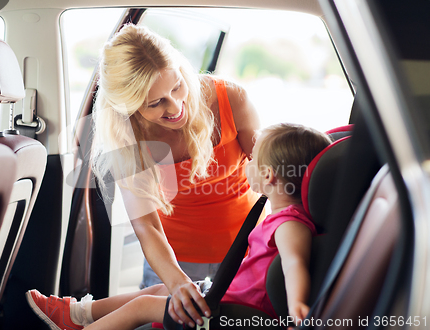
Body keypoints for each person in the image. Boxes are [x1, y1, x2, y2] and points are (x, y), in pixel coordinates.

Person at [26, 123, 332, 330]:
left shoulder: (290, 223)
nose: (246, 165)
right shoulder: (276, 214)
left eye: (253, 161)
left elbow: (293, 263)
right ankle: (77, 315)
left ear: (268, 177)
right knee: (161, 288)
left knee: (144, 304)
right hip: (224, 298)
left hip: (233, 315)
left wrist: (298, 309)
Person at [86, 23, 260, 326]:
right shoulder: (127, 136)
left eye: (177, 86)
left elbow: (268, 172)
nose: (176, 105)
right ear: (128, 106)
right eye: (156, 103)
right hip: (170, 263)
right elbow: (147, 227)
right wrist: (177, 281)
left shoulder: (232, 99)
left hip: (244, 252)